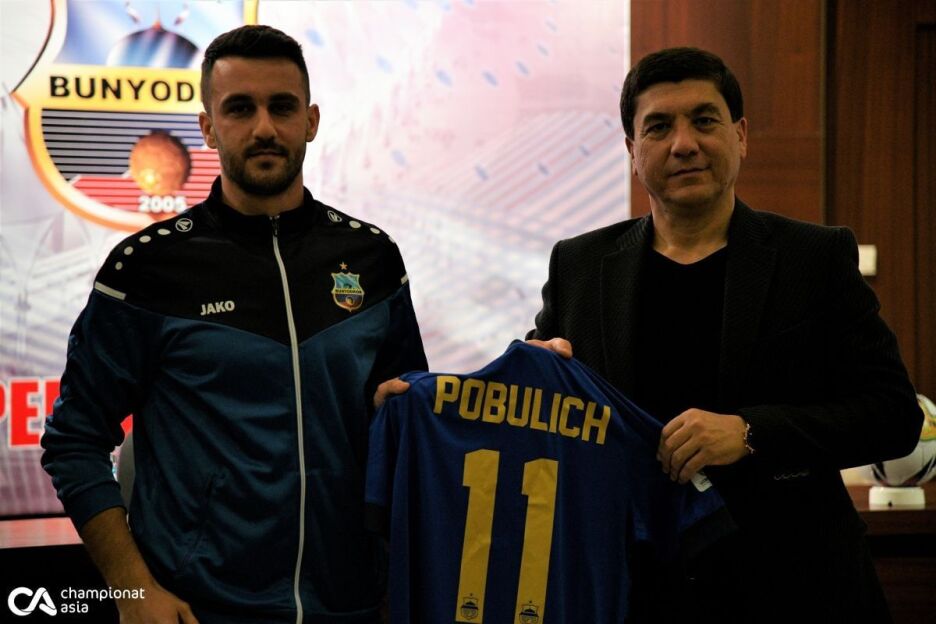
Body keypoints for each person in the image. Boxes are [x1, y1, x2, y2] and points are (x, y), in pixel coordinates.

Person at [41, 25, 426, 624]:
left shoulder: (373, 258)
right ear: (208, 127)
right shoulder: (146, 267)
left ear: (311, 121)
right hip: (201, 609)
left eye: (282, 107)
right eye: (240, 109)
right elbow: (74, 440)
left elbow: (409, 422)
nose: (264, 128)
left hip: (351, 605)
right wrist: (131, 590)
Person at [527, 47, 921, 622]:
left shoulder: (814, 258)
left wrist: (751, 432)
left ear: (740, 136)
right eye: (658, 127)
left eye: (704, 120)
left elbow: (893, 416)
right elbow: (531, 401)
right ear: (633, 151)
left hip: (794, 587)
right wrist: (432, 400)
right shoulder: (579, 266)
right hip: (633, 590)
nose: (683, 143)